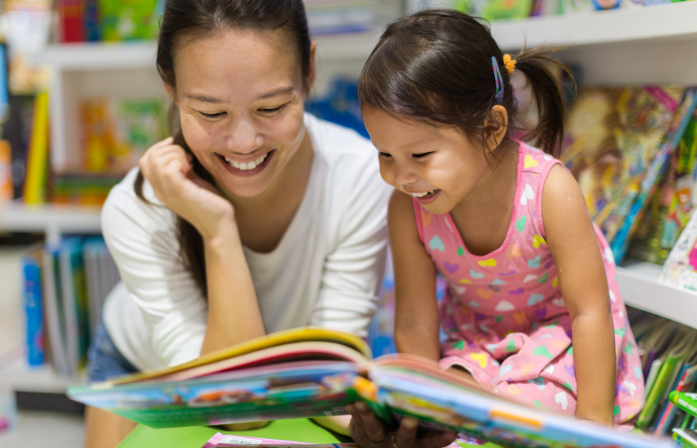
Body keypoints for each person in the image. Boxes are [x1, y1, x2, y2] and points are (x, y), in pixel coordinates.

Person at [83, 1, 391, 447]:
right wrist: (218, 230)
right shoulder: (137, 210)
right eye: (211, 113)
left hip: (285, 384)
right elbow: (234, 410)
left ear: (309, 71)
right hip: (140, 366)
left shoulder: (359, 178)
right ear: (169, 84)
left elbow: (326, 376)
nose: (244, 142)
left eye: (271, 107)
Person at [349, 9, 644, 446]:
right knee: (434, 415)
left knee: (525, 414)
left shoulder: (551, 191)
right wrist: (419, 405)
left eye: (421, 155)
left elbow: (590, 313)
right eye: (385, 155)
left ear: (491, 129)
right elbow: (414, 322)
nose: (401, 176)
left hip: (560, 344)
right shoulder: (406, 207)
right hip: (476, 345)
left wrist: (594, 424)